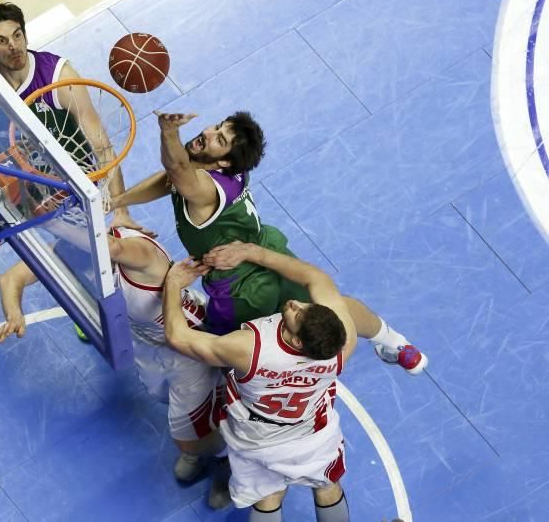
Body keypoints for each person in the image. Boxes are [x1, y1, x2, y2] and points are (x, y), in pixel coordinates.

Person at [111, 112, 426, 374]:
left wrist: (168, 132)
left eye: (219, 139)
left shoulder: (203, 189)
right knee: (330, 305)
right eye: (217, 127)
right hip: (268, 253)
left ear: (223, 163)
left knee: (224, 354)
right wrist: (118, 201)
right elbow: (170, 179)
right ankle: (392, 340)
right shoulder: (229, 170)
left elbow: (176, 169)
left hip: (240, 287)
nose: (208, 132)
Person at [0, 2, 141, 330]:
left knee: (96, 244)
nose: (13, 47)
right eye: (1, 41)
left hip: (71, 179)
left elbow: (101, 145)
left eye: (17, 35)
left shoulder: (58, 77)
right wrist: (4, 184)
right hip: (20, 177)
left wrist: (121, 208)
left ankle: (93, 296)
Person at [0, 227, 232, 508]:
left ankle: (231, 456)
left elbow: (113, 247)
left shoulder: (138, 251)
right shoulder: (66, 250)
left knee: (192, 432)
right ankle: (203, 444)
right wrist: (14, 314)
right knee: (169, 401)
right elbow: (9, 277)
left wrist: (51, 218)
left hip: (190, 348)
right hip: (148, 348)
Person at [163, 241, 367, 521]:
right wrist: (254, 253)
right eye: (305, 306)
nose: (295, 304)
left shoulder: (249, 348)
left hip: (257, 439)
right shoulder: (344, 343)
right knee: (328, 487)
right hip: (312, 433)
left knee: (267, 496)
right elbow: (316, 278)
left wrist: (173, 285)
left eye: (297, 314)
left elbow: (177, 337)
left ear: (296, 340)